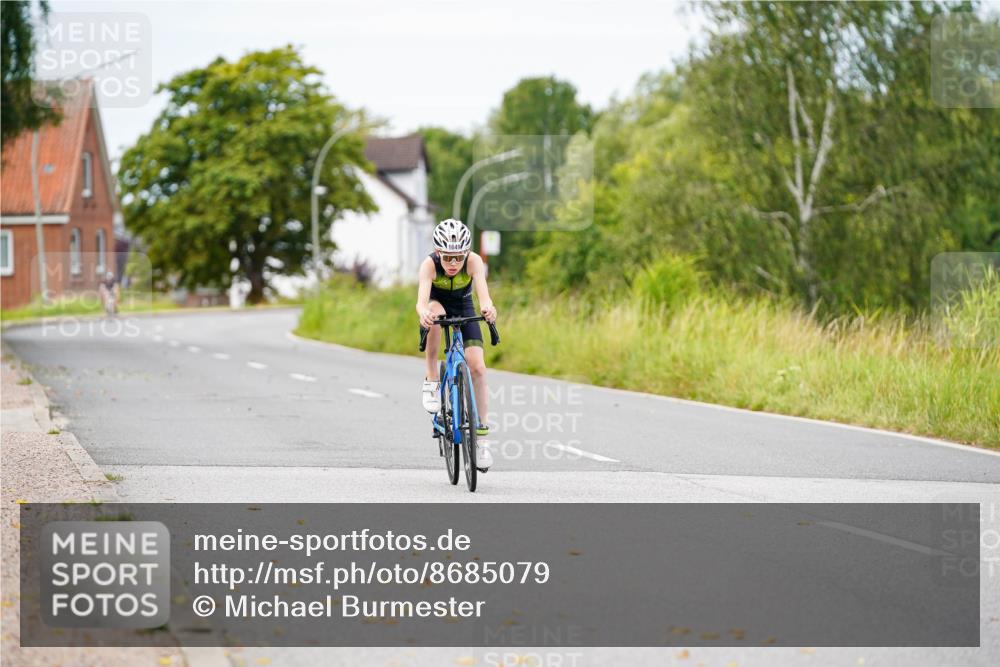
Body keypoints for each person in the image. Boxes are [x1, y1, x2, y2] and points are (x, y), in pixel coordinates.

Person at [416, 219, 497, 471]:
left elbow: (484, 295)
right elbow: (420, 302)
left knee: (478, 368)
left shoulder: (473, 262)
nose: (452, 264)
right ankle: (432, 376)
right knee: (435, 314)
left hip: (463, 306)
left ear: (466, 254)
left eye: (458, 258)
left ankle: (482, 440)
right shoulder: (429, 265)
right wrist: (423, 314)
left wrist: (488, 309)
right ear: (438, 252)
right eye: (447, 258)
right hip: (436, 303)